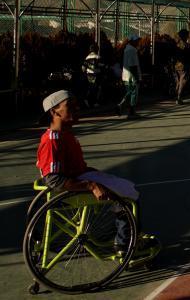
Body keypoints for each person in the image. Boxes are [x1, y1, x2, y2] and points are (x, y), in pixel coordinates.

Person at [37, 90, 144, 251]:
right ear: (54, 111)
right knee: (128, 195)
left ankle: (124, 234)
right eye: (70, 106)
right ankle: (125, 242)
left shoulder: (65, 135)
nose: (77, 108)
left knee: (124, 186)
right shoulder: (52, 141)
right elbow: (54, 180)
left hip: (80, 177)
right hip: (71, 188)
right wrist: (91, 185)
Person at [118, 35, 141, 118]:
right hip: (131, 75)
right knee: (134, 93)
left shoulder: (127, 49)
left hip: (126, 75)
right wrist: (136, 77)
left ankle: (121, 105)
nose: (138, 42)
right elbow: (133, 65)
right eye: (136, 41)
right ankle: (131, 112)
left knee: (129, 92)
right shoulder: (132, 50)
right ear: (132, 41)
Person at [174, 29, 190, 105]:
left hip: (177, 65)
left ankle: (176, 96)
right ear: (185, 36)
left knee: (178, 81)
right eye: (187, 35)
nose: (188, 37)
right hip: (184, 65)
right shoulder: (186, 45)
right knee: (183, 81)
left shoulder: (177, 44)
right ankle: (179, 97)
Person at [82, 43, 103, 107]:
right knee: (98, 88)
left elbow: (83, 67)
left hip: (89, 75)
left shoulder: (87, 57)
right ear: (96, 49)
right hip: (96, 74)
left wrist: (85, 72)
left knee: (90, 87)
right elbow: (100, 65)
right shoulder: (98, 57)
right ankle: (95, 102)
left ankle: (87, 99)